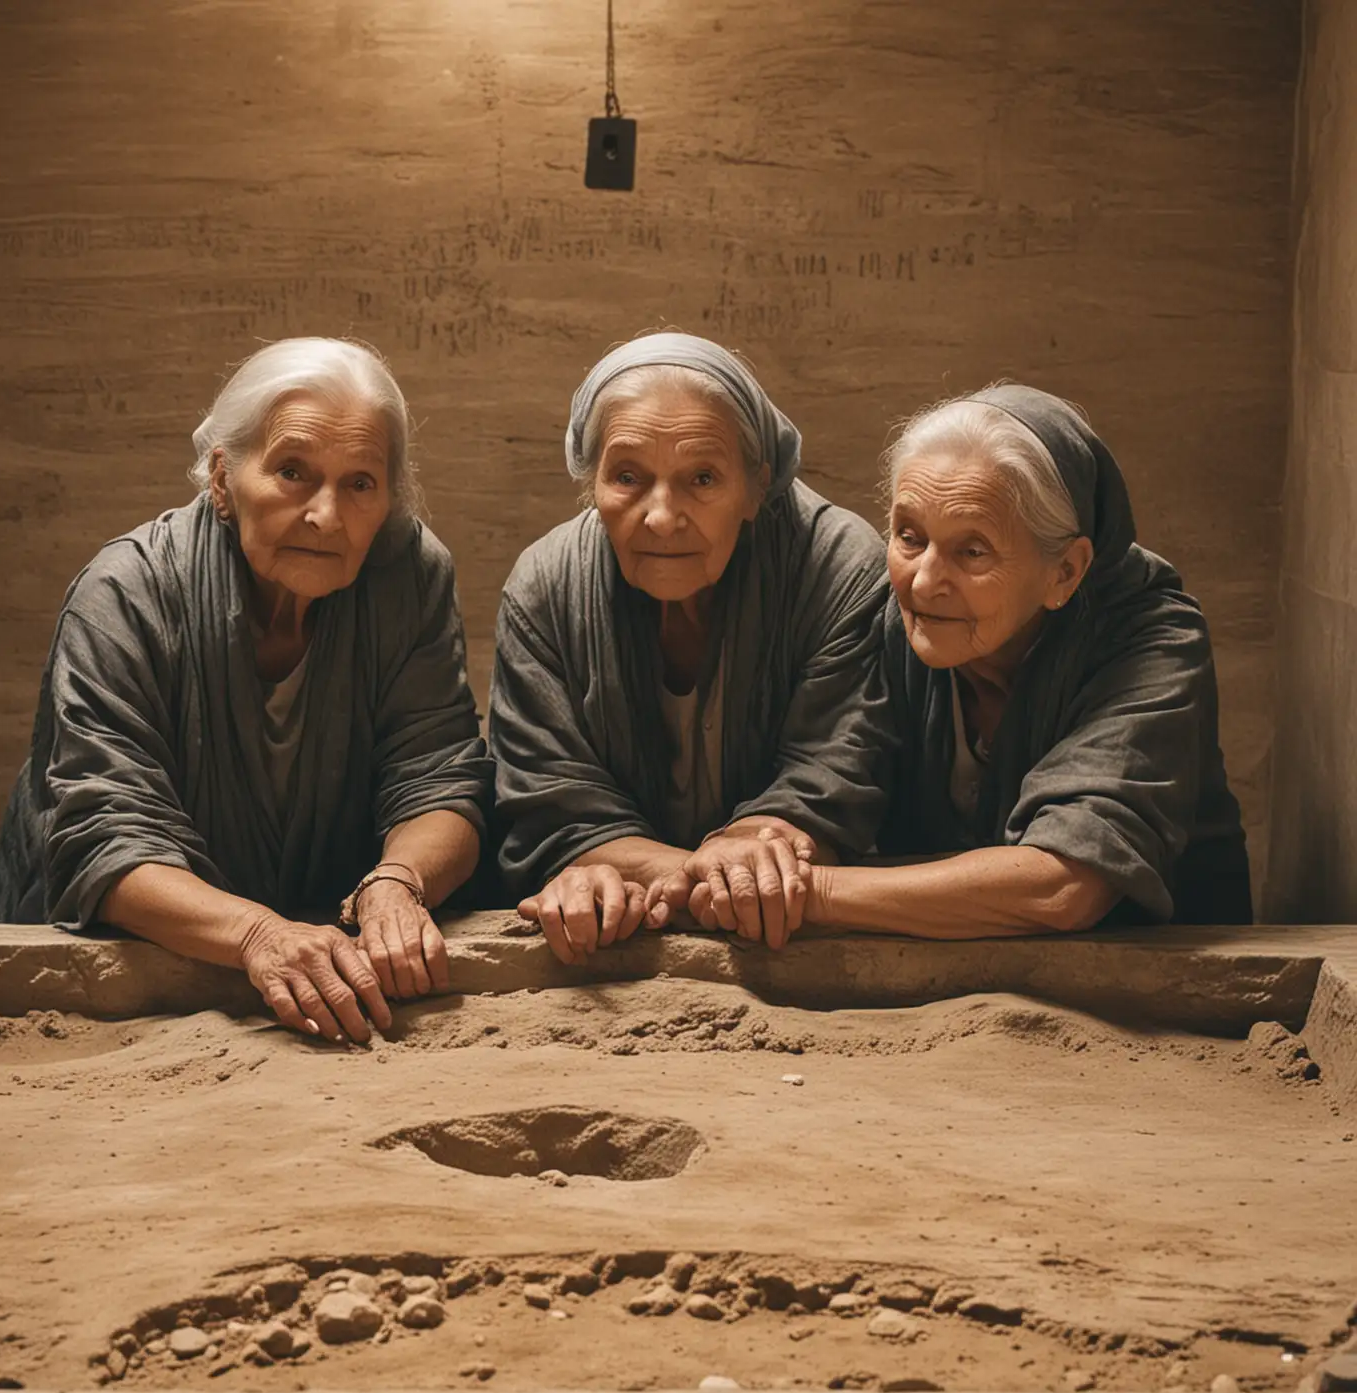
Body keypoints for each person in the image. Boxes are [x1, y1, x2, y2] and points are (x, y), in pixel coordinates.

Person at [0, 337, 493, 1040]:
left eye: (360, 483)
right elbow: (108, 836)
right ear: (222, 479)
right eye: (292, 472)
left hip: (327, 962)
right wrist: (257, 934)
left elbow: (439, 777)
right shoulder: (127, 593)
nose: (327, 515)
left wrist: (397, 882)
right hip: (124, 963)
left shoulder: (408, 573)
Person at [489, 332, 893, 963]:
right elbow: (550, 800)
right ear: (591, 481)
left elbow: (838, 769)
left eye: (702, 478)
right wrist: (725, 871)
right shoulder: (545, 589)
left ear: (758, 486)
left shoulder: (836, 567)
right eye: (627, 477)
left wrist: (747, 847)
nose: (660, 517)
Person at [797, 383, 1250, 936]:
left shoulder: (1150, 636)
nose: (924, 581)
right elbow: (824, 775)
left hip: (1160, 987)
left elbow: (1064, 885)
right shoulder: (895, 617)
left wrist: (808, 892)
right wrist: (765, 845)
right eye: (909, 537)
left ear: (1064, 572)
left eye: (972, 551)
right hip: (959, 981)